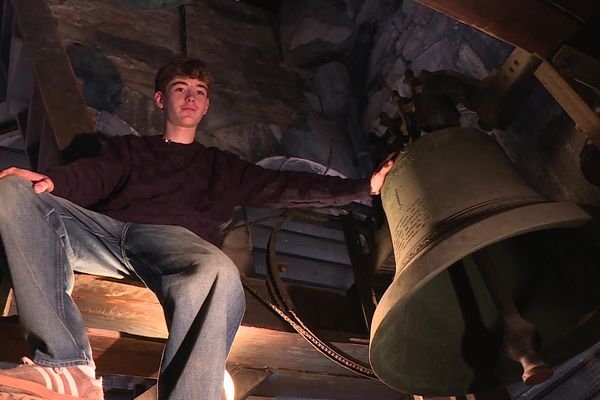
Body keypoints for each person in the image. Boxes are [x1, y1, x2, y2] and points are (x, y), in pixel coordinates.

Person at [0, 56, 393, 400]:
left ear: (205, 106)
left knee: (218, 271)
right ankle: (67, 368)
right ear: (161, 100)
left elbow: (284, 186)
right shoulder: (133, 150)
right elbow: (94, 174)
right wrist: (53, 182)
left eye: (199, 91)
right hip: (108, 232)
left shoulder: (221, 167)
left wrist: (363, 188)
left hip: (174, 243)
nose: (190, 97)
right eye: (180, 88)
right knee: (15, 189)